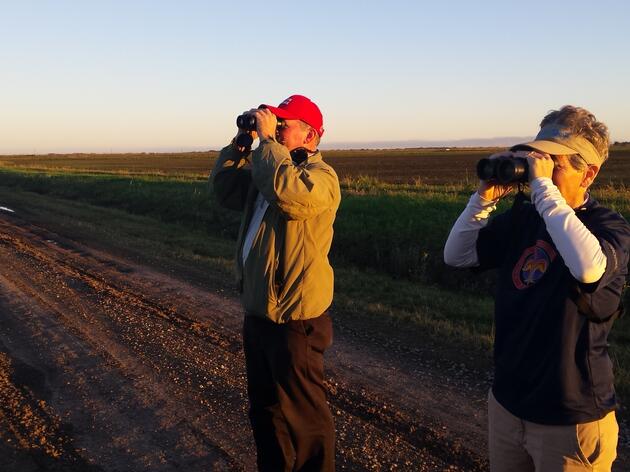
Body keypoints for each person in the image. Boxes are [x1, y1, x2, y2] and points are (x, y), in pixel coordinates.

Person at [444, 105, 630, 471]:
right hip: (509, 404)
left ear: (588, 174)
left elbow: (589, 269)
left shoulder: (610, 227)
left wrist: (545, 191)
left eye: (552, 163)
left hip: (570, 417)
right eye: (534, 160)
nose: (535, 173)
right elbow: (457, 255)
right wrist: (482, 198)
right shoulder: (524, 218)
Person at [210, 94, 340, 471]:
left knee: (307, 421)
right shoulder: (267, 169)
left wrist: (266, 144)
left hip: (294, 319)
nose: (276, 129)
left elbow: (290, 197)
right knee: (265, 413)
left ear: (311, 135)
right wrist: (240, 144)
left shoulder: (321, 178)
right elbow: (223, 191)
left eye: (284, 125)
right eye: (274, 123)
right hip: (259, 311)